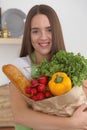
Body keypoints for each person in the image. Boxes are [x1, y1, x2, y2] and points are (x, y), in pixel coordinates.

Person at [9, 4, 87, 130]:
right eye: (35, 31)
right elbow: (20, 116)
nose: (43, 37)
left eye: (49, 30)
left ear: (56, 31)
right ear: (28, 35)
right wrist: (72, 123)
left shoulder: (71, 65)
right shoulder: (20, 67)